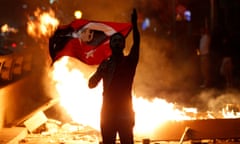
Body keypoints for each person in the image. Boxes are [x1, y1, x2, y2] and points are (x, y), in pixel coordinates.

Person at [88, 8, 140, 144]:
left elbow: (137, 44)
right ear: (110, 45)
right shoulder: (105, 64)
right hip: (108, 113)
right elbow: (91, 84)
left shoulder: (130, 62)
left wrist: (134, 25)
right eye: (114, 41)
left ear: (123, 45)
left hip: (125, 113)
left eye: (119, 41)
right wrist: (100, 72)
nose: (117, 43)